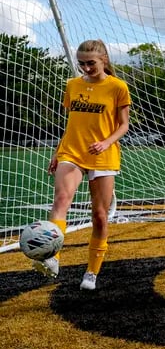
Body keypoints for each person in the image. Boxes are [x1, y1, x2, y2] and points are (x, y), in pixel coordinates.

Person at [37, 39, 131, 291]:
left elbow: (124, 125)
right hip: (73, 152)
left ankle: (91, 271)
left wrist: (105, 142)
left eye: (91, 63)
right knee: (61, 200)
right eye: (82, 64)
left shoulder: (118, 87)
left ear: (104, 60)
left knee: (100, 216)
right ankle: (53, 257)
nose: (86, 69)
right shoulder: (72, 85)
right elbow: (73, 123)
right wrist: (58, 152)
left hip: (103, 154)